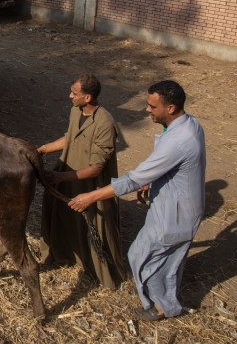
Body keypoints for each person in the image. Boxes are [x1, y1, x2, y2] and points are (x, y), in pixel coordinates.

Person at [67, 80, 206, 321]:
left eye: (152, 107)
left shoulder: (179, 140)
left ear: (171, 108)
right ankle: (166, 302)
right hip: (175, 204)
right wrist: (152, 179)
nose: (146, 110)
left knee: (142, 256)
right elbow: (169, 165)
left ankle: (163, 306)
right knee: (167, 259)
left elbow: (133, 179)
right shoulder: (189, 124)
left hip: (175, 212)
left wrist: (90, 196)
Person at [37, 74, 126, 290]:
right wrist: (43, 149)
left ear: (88, 98)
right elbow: (71, 136)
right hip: (69, 171)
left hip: (88, 183)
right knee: (61, 217)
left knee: (93, 226)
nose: (70, 96)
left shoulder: (105, 123)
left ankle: (98, 273)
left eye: (74, 94)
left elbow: (96, 168)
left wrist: (60, 177)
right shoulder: (76, 111)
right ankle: (63, 255)